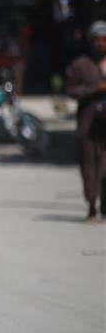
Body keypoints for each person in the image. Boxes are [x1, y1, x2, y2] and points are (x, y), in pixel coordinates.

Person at [66, 20, 106, 223]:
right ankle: (92, 205)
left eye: (104, 40)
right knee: (89, 165)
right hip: (88, 122)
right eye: (97, 40)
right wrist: (94, 90)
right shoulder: (80, 65)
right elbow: (70, 90)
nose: (100, 44)